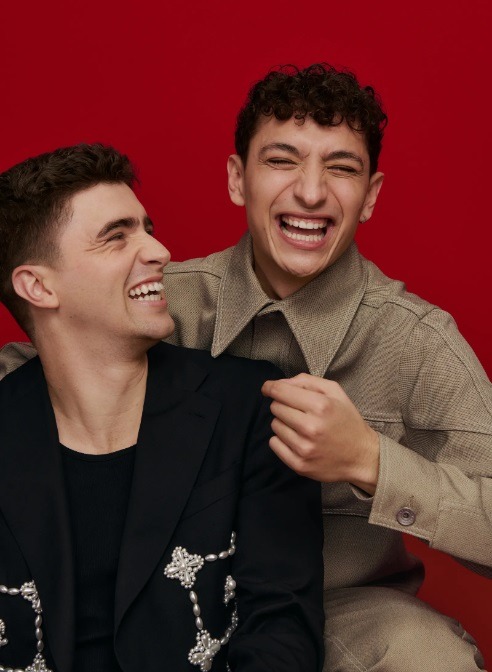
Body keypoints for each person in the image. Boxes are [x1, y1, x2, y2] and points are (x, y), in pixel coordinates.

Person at [2, 64, 491, 671]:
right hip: (165, 598)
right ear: (238, 179)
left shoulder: (417, 345)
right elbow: (47, 359)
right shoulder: (160, 301)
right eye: (282, 161)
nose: (310, 192)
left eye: (341, 169)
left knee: (424, 654)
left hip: (338, 608)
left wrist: (369, 461)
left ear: (371, 196)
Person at [0, 144, 324, 672]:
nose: (159, 250)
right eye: (116, 236)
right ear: (37, 286)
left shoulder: (255, 407)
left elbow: (283, 630)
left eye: (146, 229)